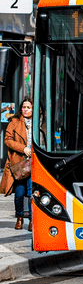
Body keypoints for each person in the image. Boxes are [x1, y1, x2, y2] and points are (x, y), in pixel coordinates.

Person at [2, 97, 33, 231]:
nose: (26, 110)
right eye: (24, 107)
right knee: (19, 193)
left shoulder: (38, 122)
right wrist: (23, 148)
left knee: (32, 193)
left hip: (34, 163)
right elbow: (7, 140)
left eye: (29, 107)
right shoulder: (14, 121)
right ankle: (20, 217)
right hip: (19, 163)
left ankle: (32, 219)